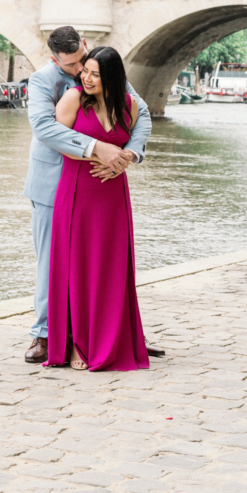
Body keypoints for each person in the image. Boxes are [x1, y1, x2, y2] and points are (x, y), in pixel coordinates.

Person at [22, 26, 157, 363]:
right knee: (52, 262)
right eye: (71, 66)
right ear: (55, 60)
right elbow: (44, 127)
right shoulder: (41, 82)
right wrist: (99, 149)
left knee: (105, 260)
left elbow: (141, 114)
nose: (81, 71)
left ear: (85, 45)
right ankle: (44, 334)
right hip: (53, 183)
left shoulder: (101, 66)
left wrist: (128, 155)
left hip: (101, 184)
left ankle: (116, 333)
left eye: (82, 59)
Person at [46, 46, 148, 371]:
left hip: (114, 195)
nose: (86, 78)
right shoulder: (73, 99)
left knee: (111, 267)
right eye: (85, 71)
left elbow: (133, 139)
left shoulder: (129, 105)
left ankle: (112, 339)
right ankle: (77, 344)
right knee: (77, 267)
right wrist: (99, 154)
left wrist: (124, 160)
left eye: (95, 74)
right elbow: (58, 141)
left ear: (113, 78)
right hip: (77, 192)